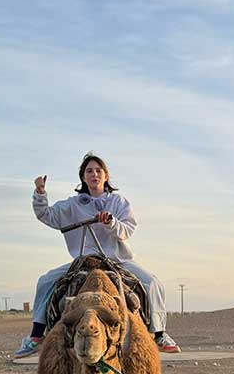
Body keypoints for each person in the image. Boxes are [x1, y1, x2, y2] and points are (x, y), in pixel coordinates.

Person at [16, 152, 180, 356]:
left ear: (106, 176)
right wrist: (40, 193)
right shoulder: (72, 205)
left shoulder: (118, 202)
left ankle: (159, 334)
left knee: (152, 282)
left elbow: (128, 229)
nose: (94, 174)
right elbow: (46, 215)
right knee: (45, 281)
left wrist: (111, 222)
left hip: (115, 259)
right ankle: (36, 335)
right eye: (89, 171)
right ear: (83, 177)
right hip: (83, 260)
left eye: (98, 170)